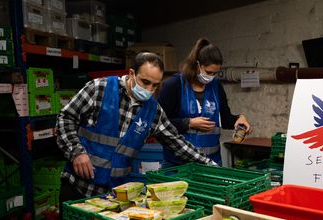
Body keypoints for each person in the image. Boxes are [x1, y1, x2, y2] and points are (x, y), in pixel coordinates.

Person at [56, 52, 217, 207]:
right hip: (78, 189)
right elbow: (66, 117)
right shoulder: (100, 89)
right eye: (145, 82)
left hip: (115, 197)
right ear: (132, 73)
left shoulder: (153, 112)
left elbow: (178, 144)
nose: (149, 90)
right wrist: (76, 152)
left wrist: (211, 166)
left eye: (155, 85)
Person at [158, 38, 252, 166]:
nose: (211, 76)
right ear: (197, 65)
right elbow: (159, 124)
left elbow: (225, 119)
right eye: (208, 72)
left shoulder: (216, 87)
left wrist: (239, 119)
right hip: (179, 165)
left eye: (215, 73)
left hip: (210, 164)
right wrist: (189, 123)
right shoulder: (174, 85)